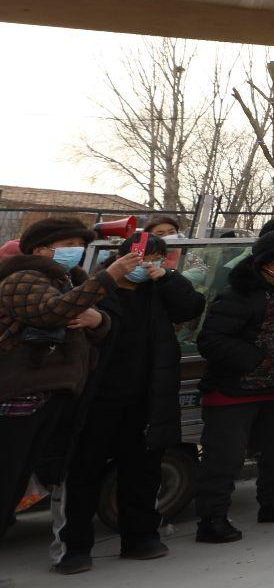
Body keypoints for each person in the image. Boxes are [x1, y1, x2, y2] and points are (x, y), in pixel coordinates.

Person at [50, 233, 204, 571]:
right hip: (96, 398)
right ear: (122, 257)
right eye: (140, 257)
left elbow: (192, 306)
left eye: (155, 259)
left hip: (146, 398)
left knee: (143, 471)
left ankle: (140, 538)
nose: (146, 265)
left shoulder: (158, 291)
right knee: (83, 473)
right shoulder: (96, 288)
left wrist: (168, 278)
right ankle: (74, 548)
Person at [1, 219, 141, 547]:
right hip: (17, 397)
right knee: (5, 480)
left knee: (19, 482)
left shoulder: (69, 280)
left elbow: (93, 327)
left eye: (79, 244)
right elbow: (52, 312)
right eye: (66, 245)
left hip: (52, 397)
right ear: (39, 249)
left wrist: (99, 320)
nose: (75, 252)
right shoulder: (21, 278)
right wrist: (111, 276)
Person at [192, 228, 274, 544]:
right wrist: (256, 358)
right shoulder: (239, 294)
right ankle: (212, 518)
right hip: (233, 391)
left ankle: (273, 504)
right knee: (225, 458)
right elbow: (211, 340)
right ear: (268, 263)